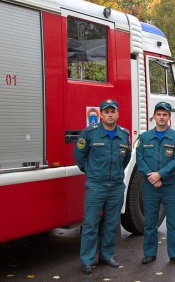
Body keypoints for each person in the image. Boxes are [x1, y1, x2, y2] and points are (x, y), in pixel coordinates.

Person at [73, 99, 131, 274]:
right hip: (96, 185)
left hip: (115, 187)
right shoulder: (90, 133)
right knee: (90, 223)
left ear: (118, 114)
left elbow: (126, 158)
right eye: (106, 111)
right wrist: (91, 172)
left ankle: (107, 255)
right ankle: (87, 260)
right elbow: (79, 155)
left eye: (113, 111)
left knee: (111, 223)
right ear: (101, 114)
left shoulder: (124, 134)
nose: (110, 114)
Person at [136, 102, 175, 266]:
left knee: (173, 222)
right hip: (150, 186)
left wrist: (160, 175)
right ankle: (150, 253)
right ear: (154, 116)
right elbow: (139, 159)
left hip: (170, 186)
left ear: (169, 117)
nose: (162, 117)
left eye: (165, 115)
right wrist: (152, 177)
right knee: (150, 221)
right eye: (159, 114)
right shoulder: (145, 137)